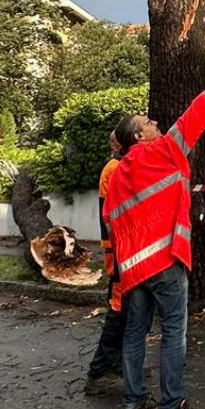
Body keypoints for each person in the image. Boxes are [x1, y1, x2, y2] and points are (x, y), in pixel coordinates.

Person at [103, 63, 205, 409]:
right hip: (165, 261)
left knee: (135, 332)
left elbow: (113, 221)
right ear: (138, 137)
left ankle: (133, 406)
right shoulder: (160, 152)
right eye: (147, 123)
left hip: (134, 270)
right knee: (174, 331)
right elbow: (191, 121)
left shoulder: (118, 175)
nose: (155, 124)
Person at [83, 130, 126, 395]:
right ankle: (98, 373)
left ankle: (118, 365)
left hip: (121, 252)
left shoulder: (116, 166)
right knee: (119, 314)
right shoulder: (115, 169)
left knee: (128, 315)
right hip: (120, 254)